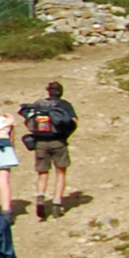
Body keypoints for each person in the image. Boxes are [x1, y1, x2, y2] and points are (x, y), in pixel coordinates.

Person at [21, 80, 80, 218]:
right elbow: (74, 121)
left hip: (41, 142)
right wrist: (66, 134)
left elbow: (29, 121)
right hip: (58, 141)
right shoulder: (65, 105)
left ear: (48, 91)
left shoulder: (39, 104)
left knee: (43, 173)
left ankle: (40, 196)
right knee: (61, 173)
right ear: (61, 92)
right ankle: (57, 203)